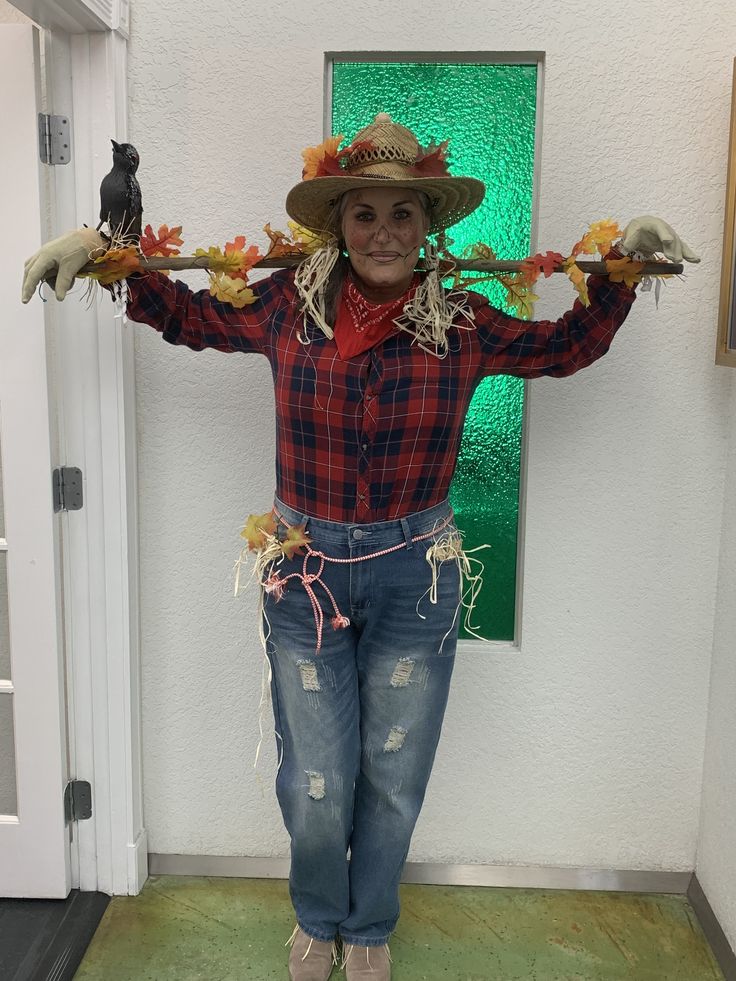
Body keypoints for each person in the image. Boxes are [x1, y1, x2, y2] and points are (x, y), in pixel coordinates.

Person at [21, 113, 699, 981]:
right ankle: (317, 917)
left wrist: (620, 275)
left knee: (392, 772)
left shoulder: (462, 320)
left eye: (403, 215)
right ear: (338, 224)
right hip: (302, 571)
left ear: (429, 228)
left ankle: (369, 924)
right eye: (365, 214)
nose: (384, 232)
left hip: (418, 576)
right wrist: (108, 253)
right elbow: (185, 314)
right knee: (316, 782)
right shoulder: (280, 306)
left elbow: (563, 347)